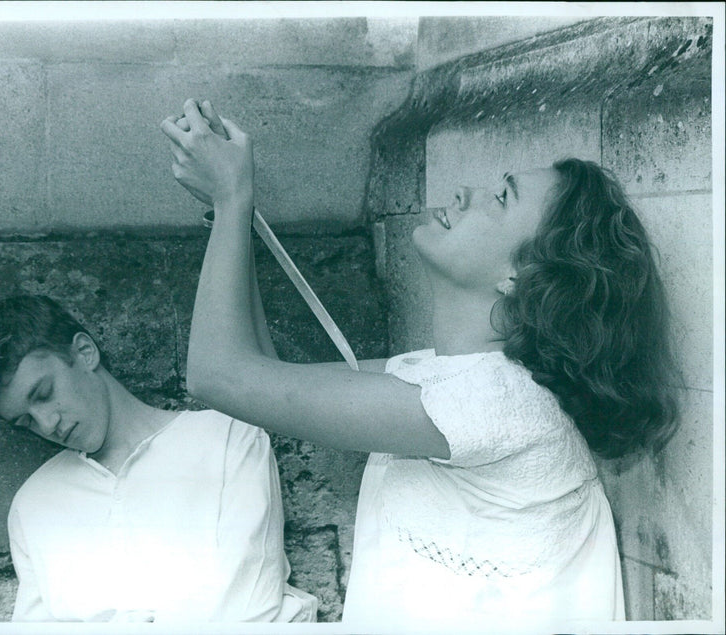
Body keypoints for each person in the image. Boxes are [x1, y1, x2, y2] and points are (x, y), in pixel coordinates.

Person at [160, 99, 679, 628]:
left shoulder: (494, 404)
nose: (463, 192)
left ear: (523, 276)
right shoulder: (449, 375)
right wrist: (231, 213)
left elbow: (220, 377)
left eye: (500, 198)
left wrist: (231, 198)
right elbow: (262, 379)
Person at [0, 294, 317, 624]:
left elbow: (250, 606)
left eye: (44, 393)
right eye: (25, 422)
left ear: (85, 352)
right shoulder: (33, 506)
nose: (47, 423)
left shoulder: (227, 439)